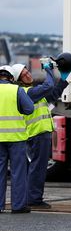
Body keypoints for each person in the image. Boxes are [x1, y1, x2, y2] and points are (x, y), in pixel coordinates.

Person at [11, 62, 71, 209]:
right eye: (24, 75)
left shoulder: (34, 92)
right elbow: (48, 86)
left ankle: (32, 197)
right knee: (37, 167)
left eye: (27, 71)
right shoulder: (27, 93)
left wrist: (63, 80)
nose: (28, 74)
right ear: (18, 80)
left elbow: (52, 94)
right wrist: (48, 70)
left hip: (40, 134)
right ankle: (34, 198)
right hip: (36, 134)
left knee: (37, 166)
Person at [0, 65, 34, 213]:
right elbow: (29, 109)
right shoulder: (16, 90)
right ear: (11, 78)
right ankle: (18, 206)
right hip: (16, 138)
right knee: (18, 172)